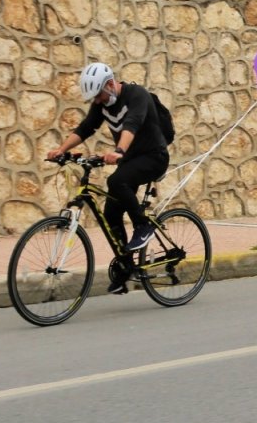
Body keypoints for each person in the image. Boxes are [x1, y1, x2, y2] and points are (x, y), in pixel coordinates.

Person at [46, 62, 171, 294]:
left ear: (111, 84)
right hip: (130, 161)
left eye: (99, 95)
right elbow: (85, 129)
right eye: (94, 98)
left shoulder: (137, 95)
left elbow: (131, 124)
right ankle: (126, 267)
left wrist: (119, 151)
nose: (97, 101)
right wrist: (61, 150)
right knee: (111, 213)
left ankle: (143, 226)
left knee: (116, 181)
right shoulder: (102, 104)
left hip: (154, 157)